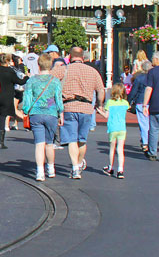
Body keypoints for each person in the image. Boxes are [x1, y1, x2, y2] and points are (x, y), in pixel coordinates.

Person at [59, 46, 105, 179]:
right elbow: (101, 90)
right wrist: (99, 105)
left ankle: (75, 168)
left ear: (69, 57)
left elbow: (49, 80)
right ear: (83, 57)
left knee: (72, 139)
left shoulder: (63, 69)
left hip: (69, 106)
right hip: (86, 108)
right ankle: (79, 164)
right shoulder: (92, 71)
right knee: (82, 140)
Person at [21, 55, 64, 181]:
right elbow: (58, 99)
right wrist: (61, 113)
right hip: (51, 113)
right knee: (49, 144)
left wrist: (26, 110)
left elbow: (27, 98)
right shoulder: (55, 81)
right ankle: (51, 168)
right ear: (50, 66)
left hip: (36, 113)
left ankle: (40, 171)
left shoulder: (32, 81)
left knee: (39, 144)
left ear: (38, 65)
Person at [100, 84, 130, 178]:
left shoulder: (109, 102)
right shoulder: (125, 103)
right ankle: (120, 170)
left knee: (112, 148)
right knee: (120, 149)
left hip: (113, 128)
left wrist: (99, 110)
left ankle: (110, 167)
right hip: (122, 128)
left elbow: (106, 116)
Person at [0, 54, 20, 149]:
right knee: (3, 118)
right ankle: (1, 142)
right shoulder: (10, 71)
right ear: (7, 61)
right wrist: (26, 78)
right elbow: (18, 81)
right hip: (6, 97)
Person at [129, 59, 152, 154]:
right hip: (152, 102)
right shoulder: (153, 77)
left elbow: (134, 91)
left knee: (143, 123)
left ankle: (145, 142)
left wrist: (128, 101)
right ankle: (149, 141)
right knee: (150, 123)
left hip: (141, 102)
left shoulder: (139, 78)